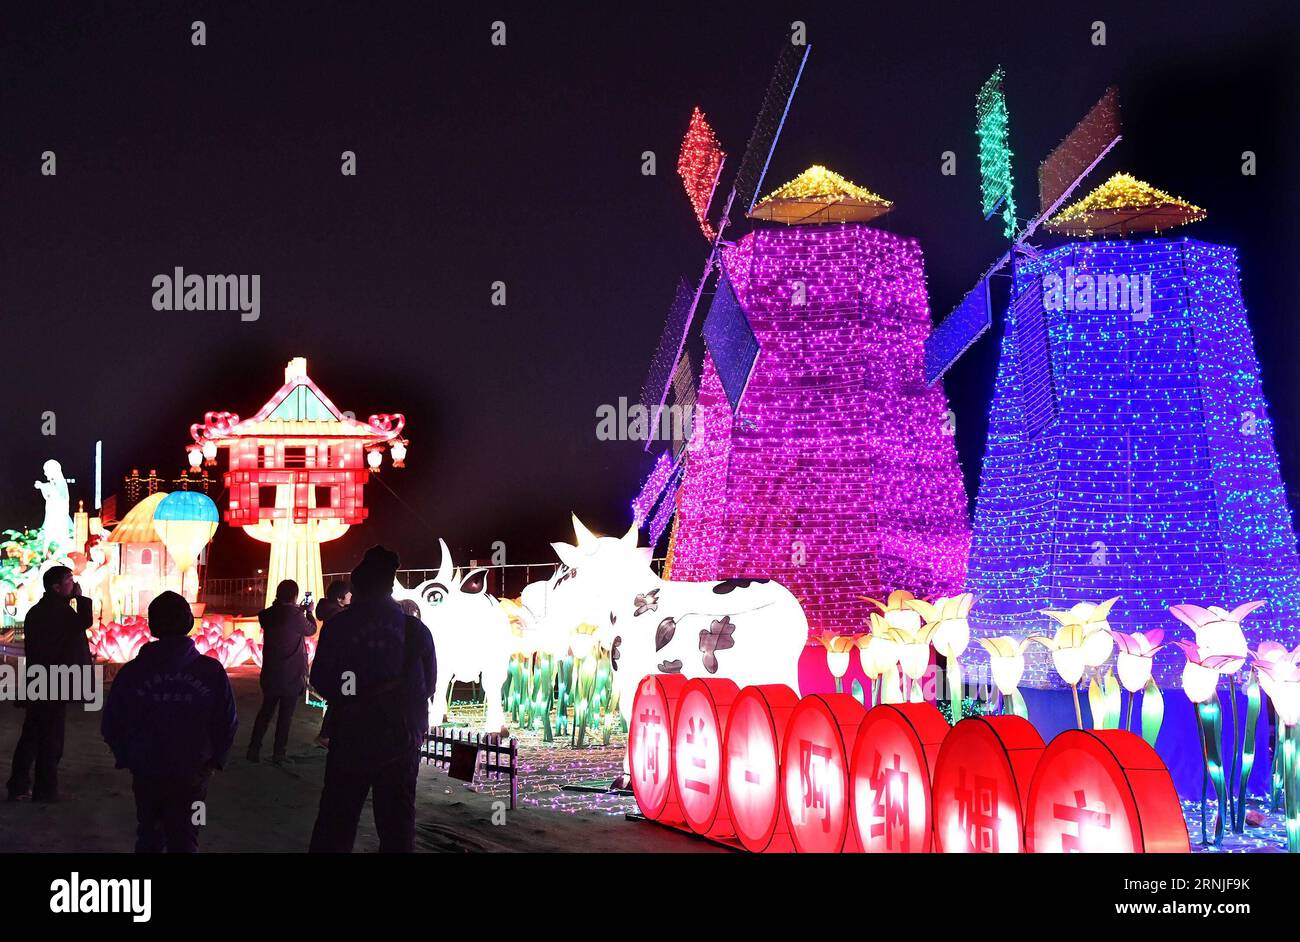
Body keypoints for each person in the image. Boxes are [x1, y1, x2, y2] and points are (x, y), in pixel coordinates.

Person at [309, 546, 435, 853]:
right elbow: (428, 687)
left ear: (356, 587)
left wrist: (352, 694)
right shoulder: (415, 630)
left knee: (336, 823)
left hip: (350, 737)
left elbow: (320, 680)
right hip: (400, 739)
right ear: (391, 587)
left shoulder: (338, 627)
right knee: (396, 828)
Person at [101, 591, 238, 852]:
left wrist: (128, 757)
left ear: (152, 625)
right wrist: (214, 760)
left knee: (149, 834)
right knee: (188, 835)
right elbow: (227, 721)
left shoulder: (132, 673)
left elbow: (111, 724)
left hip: (146, 771)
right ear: (188, 622)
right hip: (194, 773)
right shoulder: (211, 671)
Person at [6, 565, 92, 802]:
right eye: (69, 581)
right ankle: (45, 790)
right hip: (54, 681)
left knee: (32, 735)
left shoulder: (40, 610)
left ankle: (19, 785)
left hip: (41, 680)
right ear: (56, 587)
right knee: (50, 739)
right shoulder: (59, 612)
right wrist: (81, 598)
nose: (73, 585)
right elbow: (84, 622)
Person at [247, 580, 316, 765]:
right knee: (285, 716)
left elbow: (283, 618)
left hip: (271, 672)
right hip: (290, 674)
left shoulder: (268, 615)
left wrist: (298, 610)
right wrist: (308, 612)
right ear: (294, 595)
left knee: (266, 712)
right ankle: (279, 753)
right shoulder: (294, 615)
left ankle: (254, 748)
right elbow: (311, 629)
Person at [312, 580, 351, 748]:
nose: (352, 596)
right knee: (344, 699)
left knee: (339, 700)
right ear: (339, 599)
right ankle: (327, 735)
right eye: (349, 594)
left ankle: (327, 734)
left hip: (332, 666)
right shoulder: (340, 617)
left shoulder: (330, 612)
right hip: (342, 666)